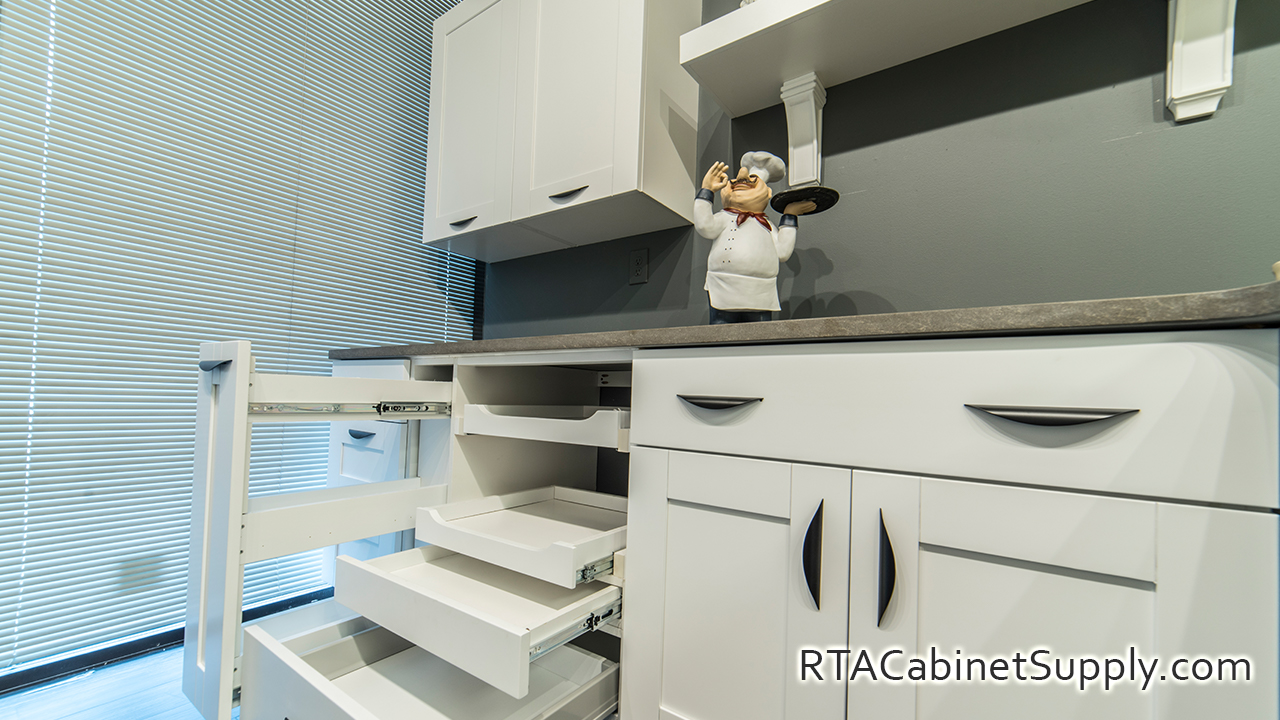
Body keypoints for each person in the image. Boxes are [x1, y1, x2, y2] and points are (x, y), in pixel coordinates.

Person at [695, 151, 816, 324]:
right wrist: (706, 190)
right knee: (721, 337)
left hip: (761, 292)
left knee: (760, 338)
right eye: (736, 181)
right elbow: (704, 226)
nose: (740, 178)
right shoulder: (724, 217)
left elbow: (782, 252)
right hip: (723, 288)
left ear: (768, 193)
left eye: (751, 182)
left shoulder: (766, 225)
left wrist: (790, 215)